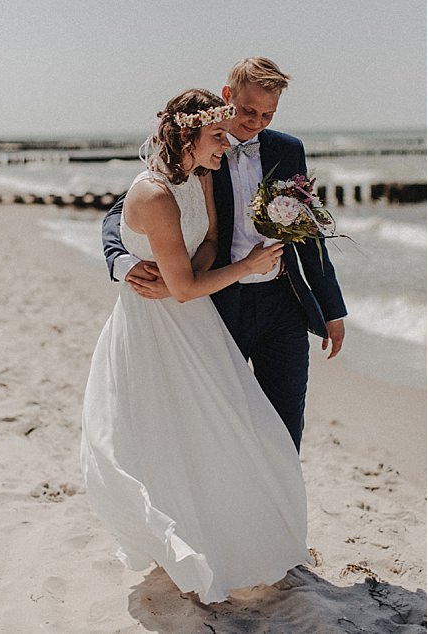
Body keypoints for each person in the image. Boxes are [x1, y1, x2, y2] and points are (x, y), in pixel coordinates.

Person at [81, 89, 307, 603]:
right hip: (152, 327)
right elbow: (176, 286)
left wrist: (190, 279)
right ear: (188, 134)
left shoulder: (201, 175)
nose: (226, 146)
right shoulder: (153, 195)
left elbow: (203, 247)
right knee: (168, 433)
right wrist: (243, 268)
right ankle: (182, 540)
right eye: (217, 136)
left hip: (196, 319)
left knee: (227, 426)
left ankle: (237, 532)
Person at [101, 57, 347, 450]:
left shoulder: (288, 150)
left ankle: (277, 508)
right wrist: (123, 261)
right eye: (249, 111)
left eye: (268, 114)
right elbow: (123, 210)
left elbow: (309, 233)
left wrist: (332, 309)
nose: (256, 122)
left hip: (282, 301)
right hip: (216, 304)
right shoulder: (198, 149)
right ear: (228, 97)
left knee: (285, 422)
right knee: (221, 425)